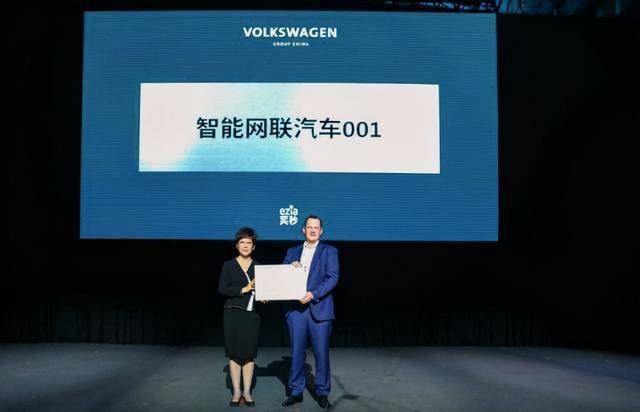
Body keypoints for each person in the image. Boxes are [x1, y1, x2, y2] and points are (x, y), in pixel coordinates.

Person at [281, 215, 339, 410]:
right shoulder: (292, 251)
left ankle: (322, 392)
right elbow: (282, 277)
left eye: (316, 227)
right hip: (296, 311)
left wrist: (313, 294)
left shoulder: (330, 251)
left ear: (321, 231)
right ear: (303, 230)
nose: (313, 230)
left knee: (321, 354)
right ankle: (296, 391)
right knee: (297, 352)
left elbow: (332, 278)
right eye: (309, 227)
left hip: (320, 309)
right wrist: (289, 268)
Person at [218, 227, 260, 407]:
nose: (245, 245)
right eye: (242, 242)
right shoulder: (228, 265)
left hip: (251, 315)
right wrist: (244, 289)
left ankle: (247, 392)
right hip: (232, 314)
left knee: (249, 355)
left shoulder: (259, 267)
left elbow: (265, 290)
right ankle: (236, 392)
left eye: (249, 242)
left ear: (253, 246)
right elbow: (222, 289)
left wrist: (264, 296)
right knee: (234, 353)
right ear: (237, 245)